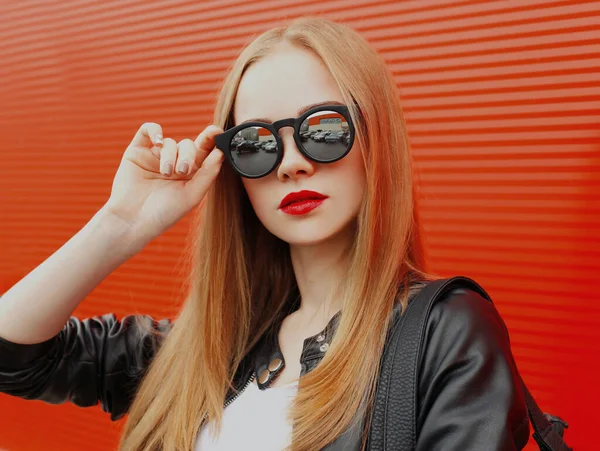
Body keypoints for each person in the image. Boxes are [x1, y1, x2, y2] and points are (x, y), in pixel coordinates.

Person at [0, 17, 530, 451]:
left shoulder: (445, 332)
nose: (292, 164)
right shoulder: (206, 352)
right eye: (256, 143)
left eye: (323, 130)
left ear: (377, 140)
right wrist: (120, 226)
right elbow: (14, 357)